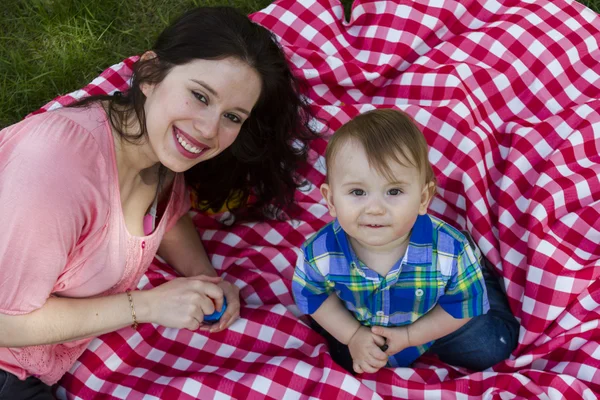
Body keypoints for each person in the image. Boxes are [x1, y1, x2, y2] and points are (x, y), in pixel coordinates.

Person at [0, 6, 318, 399]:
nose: (208, 130)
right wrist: (145, 306)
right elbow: (5, 321)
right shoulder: (56, 170)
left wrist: (205, 281)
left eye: (232, 117)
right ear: (150, 74)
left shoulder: (157, 150)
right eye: (200, 95)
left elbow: (168, 217)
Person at [292, 109, 519, 374]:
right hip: (363, 318)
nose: (375, 208)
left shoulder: (450, 252)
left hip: (438, 312)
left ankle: (482, 276)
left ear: (423, 198)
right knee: (344, 359)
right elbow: (314, 295)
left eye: (394, 191)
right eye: (357, 192)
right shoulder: (319, 253)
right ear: (331, 200)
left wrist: (412, 336)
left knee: (492, 348)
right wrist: (353, 335)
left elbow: (463, 306)